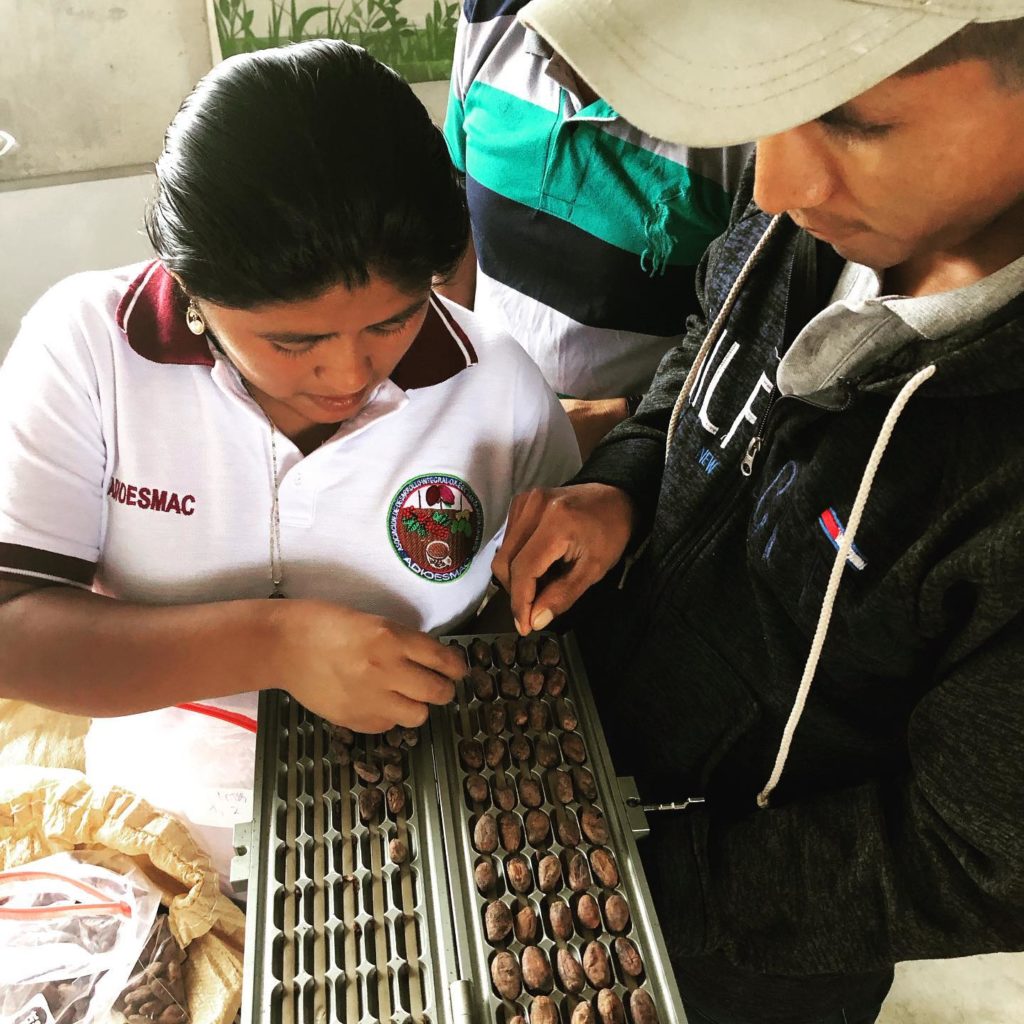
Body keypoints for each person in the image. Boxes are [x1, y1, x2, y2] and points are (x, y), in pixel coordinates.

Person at [494, 1, 1024, 1021]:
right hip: (602, 775)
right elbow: (705, 346)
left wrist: (643, 881)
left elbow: (975, 859)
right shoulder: (820, 219)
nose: (777, 185)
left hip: (759, 954)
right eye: (774, 104)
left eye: (854, 121)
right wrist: (627, 485)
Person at [0, 41, 580, 881]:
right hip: (159, 825)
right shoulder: (89, 352)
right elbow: (13, 625)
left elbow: (533, 614)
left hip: (408, 837)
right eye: (292, 340)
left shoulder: (496, 389)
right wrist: (276, 643)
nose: (348, 375)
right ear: (190, 287)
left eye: (393, 320)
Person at [439, 0, 752, 457]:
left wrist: (621, 417)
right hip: (481, 435)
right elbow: (457, 220)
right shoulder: (490, 15)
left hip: (635, 458)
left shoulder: (744, 104)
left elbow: (751, 345)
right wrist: (443, 387)